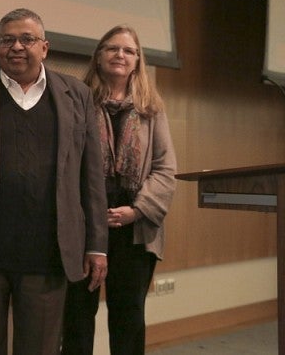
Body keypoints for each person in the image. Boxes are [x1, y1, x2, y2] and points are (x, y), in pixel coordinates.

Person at [0, 8, 108, 355]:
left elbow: (91, 175)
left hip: (48, 253)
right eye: (7, 40)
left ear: (45, 47)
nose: (16, 47)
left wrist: (97, 244)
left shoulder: (77, 95)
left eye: (27, 39)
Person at [61, 25, 177, 355]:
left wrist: (137, 211)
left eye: (128, 50)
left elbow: (166, 169)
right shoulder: (76, 102)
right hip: (85, 225)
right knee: (77, 317)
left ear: (137, 60)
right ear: (98, 56)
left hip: (135, 227)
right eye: (112, 48)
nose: (120, 55)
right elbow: (67, 166)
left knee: (128, 317)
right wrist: (91, 214)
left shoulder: (151, 109)